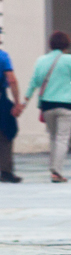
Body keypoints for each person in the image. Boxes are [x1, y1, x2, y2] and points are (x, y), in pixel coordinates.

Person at [22, 31, 71, 183]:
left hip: (47, 105)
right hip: (66, 104)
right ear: (66, 44)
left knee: (54, 138)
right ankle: (56, 171)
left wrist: (25, 100)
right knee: (62, 139)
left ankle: (53, 168)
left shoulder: (41, 60)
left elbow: (34, 82)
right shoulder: (70, 60)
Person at [0, 41, 19, 183]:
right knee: (6, 134)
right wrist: (17, 102)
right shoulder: (2, 56)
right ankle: (6, 171)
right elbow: (11, 79)